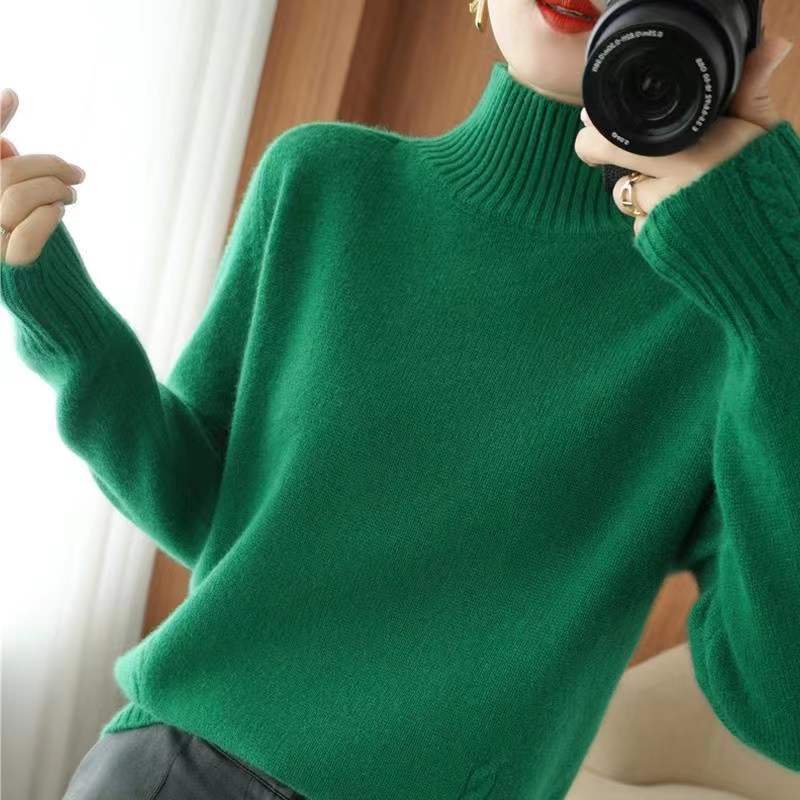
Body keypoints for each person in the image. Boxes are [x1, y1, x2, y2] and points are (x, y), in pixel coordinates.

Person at [1, 1, 799, 798]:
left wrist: (781, 301)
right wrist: (54, 305)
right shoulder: (322, 181)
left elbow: (782, 711)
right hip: (180, 770)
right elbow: (203, 510)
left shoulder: (728, 315)